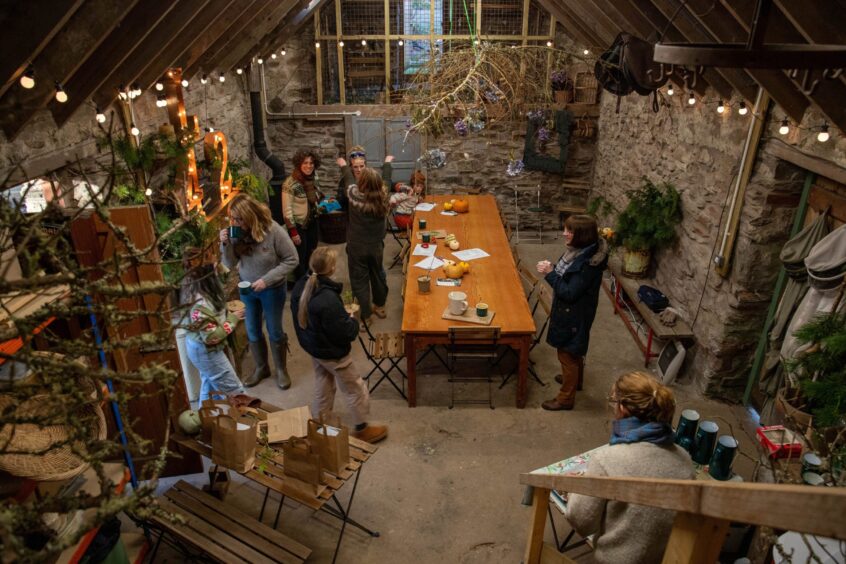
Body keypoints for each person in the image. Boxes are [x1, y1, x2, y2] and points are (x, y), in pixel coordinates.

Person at [565, 371, 694, 563]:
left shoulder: (607, 459)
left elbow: (582, 522)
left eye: (613, 401)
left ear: (623, 409)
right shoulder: (684, 459)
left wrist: (574, 490)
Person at [290, 247, 388, 444]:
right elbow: (347, 333)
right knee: (355, 387)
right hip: (333, 353)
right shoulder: (327, 300)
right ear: (332, 268)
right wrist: (352, 318)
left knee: (324, 382)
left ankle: (320, 426)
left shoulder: (302, 285)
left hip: (314, 347)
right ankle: (362, 428)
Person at [220, 193, 299, 390]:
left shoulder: (273, 230)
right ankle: (261, 368)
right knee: (252, 330)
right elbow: (230, 264)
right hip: (247, 289)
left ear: (248, 217)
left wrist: (267, 279)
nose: (234, 223)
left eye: (237, 219)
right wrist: (225, 244)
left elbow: (292, 259)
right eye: (232, 218)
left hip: (271, 289)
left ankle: (281, 370)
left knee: (274, 330)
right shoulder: (236, 233)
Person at [537, 214, 608, 410]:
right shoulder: (579, 252)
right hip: (577, 312)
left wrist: (550, 274)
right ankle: (576, 381)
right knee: (575, 349)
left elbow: (569, 292)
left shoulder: (587, 265)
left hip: (574, 315)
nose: (564, 234)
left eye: (570, 231)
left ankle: (565, 398)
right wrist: (553, 269)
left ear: (582, 236)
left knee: (567, 355)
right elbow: (568, 277)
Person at [181, 254, 258, 408]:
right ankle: (251, 427)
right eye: (215, 268)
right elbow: (212, 337)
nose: (218, 270)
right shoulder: (199, 303)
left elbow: (224, 275)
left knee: (209, 385)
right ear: (206, 274)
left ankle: (206, 421)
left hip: (201, 348)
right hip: (206, 351)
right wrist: (232, 319)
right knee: (236, 392)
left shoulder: (198, 284)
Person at [336, 161, 392, 323]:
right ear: (378, 184)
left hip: (356, 247)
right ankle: (380, 307)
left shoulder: (353, 194)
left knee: (359, 281)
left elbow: (348, 179)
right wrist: (387, 164)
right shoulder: (383, 197)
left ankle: (365, 317)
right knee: (378, 275)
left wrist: (344, 165)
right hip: (376, 246)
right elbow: (387, 180)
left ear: (361, 183)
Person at [282, 149, 323, 282]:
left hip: (312, 221)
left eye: (311, 163)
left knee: (312, 252)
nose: (309, 166)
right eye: (305, 163)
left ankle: (311, 279)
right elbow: (287, 211)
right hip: (299, 225)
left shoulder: (314, 177)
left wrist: (324, 200)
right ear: (299, 164)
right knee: (300, 257)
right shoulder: (290, 184)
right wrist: (293, 232)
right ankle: (301, 285)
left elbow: (317, 195)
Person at [336, 145, 394, 210]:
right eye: (355, 167)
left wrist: (396, 185)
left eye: (361, 166)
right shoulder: (344, 181)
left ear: (365, 165)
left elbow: (384, 188)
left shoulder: (371, 178)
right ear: (351, 167)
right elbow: (340, 203)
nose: (359, 170)